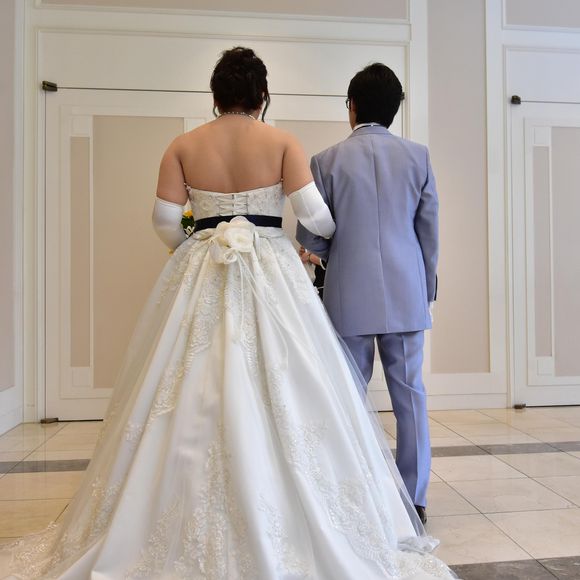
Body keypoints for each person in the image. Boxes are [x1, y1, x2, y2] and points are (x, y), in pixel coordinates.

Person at [0, 48, 454, 579]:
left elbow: (165, 220)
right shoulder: (284, 142)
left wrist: (197, 243)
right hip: (283, 272)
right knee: (313, 386)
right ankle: (378, 498)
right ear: (263, 95)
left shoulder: (183, 145)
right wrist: (319, 239)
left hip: (206, 265)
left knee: (193, 379)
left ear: (215, 96)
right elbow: (316, 217)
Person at [297, 63, 439, 525]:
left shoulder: (325, 161)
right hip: (406, 292)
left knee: (348, 397)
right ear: (395, 109)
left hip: (347, 293)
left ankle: (353, 492)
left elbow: (313, 236)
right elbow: (428, 233)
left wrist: (322, 251)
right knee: (410, 396)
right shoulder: (418, 157)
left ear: (352, 106)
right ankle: (414, 498)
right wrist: (426, 288)